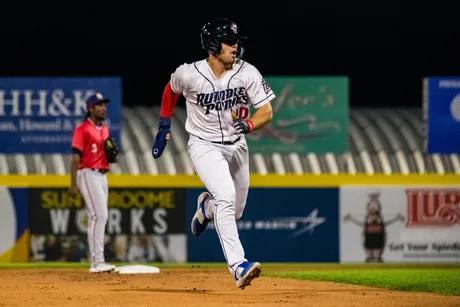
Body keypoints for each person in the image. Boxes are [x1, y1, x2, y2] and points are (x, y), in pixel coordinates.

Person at [152, 18, 275, 289]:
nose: (235, 45)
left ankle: (205, 208)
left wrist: (252, 124)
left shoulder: (248, 72)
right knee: (226, 197)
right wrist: (164, 125)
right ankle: (238, 266)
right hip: (203, 145)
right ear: (212, 45)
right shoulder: (189, 73)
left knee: (234, 211)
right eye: (229, 41)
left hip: (237, 144)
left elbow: (267, 110)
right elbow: (170, 90)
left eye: (236, 41)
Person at [68, 93, 118, 273]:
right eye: (99, 105)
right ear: (90, 108)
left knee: (97, 216)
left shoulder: (104, 129)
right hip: (87, 173)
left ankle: (98, 261)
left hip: (102, 174)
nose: (103, 108)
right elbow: (75, 158)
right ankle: (97, 262)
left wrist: (114, 156)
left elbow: (110, 156)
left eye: (104, 105)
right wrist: (72, 183)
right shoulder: (82, 129)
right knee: (100, 215)